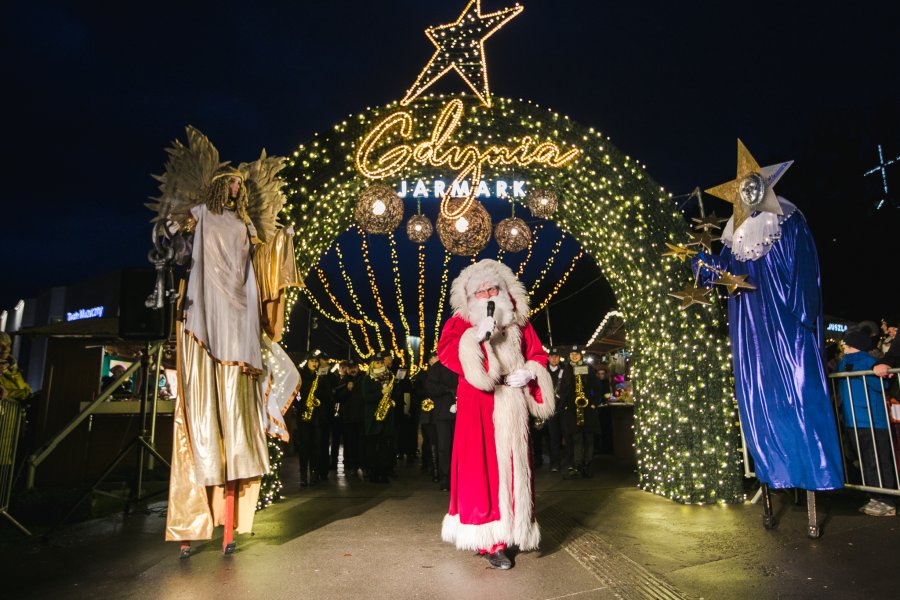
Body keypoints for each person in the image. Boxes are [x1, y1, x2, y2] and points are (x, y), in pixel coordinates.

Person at [698, 144, 843, 492]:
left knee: (798, 395)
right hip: (752, 329)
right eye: (742, 190)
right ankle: (773, 471)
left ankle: (812, 473)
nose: (748, 194)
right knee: (760, 398)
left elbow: (805, 275)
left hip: (787, 326)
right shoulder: (735, 237)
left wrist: (803, 316)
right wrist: (701, 264)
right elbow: (724, 271)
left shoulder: (789, 222)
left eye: (753, 187)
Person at [166, 169, 270, 557]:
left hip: (238, 312)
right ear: (217, 185)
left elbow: (258, 260)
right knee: (203, 419)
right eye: (231, 182)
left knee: (235, 423)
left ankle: (229, 525)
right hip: (207, 310)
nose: (236, 188)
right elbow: (172, 236)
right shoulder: (201, 214)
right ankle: (192, 524)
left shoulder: (244, 222)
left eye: (239, 184)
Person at [437, 259, 555, 570]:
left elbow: (538, 355)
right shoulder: (459, 323)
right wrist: (473, 338)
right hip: (478, 404)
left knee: (515, 468)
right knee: (482, 468)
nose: (488, 295)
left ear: (504, 290)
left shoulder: (521, 323)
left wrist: (530, 373)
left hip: (512, 403)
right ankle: (491, 539)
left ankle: (514, 527)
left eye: (493, 288)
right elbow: (446, 353)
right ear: (469, 297)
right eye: (481, 291)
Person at [837, 329, 896, 516]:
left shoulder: (867, 361)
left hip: (872, 419)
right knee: (867, 461)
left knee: (878, 460)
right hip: (855, 419)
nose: (843, 345)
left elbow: (881, 385)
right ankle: (874, 496)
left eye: (845, 343)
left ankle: (886, 499)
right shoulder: (843, 362)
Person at [561, 346, 600, 478]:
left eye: (576, 354)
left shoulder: (588, 368)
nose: (574, 356)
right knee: (576, 439)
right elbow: (563, 390)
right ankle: (577, 466)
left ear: (580, 355)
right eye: (572, 354)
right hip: (573, 409)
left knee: (589, 438)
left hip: (588, 408)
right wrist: (565, 406)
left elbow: (597, 386)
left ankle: (587, 465)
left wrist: (594, 403)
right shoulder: (566, 369)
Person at [294, 350, 330, 487]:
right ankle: (303, 476)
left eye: (316, 361)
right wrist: (300, 405)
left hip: (317, 416)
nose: (314, 363)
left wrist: (319, 389)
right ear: (307, 362)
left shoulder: (321, 376)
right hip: (304, 415)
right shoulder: (300, 376)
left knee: (316, 446)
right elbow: (295, 395)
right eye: (312, 361)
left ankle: (314, 474)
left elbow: (327, 395)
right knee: (304, 446)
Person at [425, 352, 458, 490]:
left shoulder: (461, 364)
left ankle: (458, 477)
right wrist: (448, 390)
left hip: (460, 413)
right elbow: (430, 387)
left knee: (459, 447)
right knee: (444, 447)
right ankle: (446, 478)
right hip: (443, 413)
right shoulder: (438, 367)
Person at [362, 352, 396, 483]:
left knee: (384, 447)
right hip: (373, 418)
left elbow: (396, 393)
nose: (380, 365)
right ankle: (373, 473)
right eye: (377, 362)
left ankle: (384, 472)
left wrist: (392, 396)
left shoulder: (389, 377)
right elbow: (366, 397)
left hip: (386, 418)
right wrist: (381, 392)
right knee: (372, 447)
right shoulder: (367, 379)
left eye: (381, 362)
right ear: (372, 364)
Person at [534, 347, 566, 472]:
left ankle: (560, 462)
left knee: (558, 437)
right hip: (543, 408)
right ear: (548, 358)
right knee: (544, 437)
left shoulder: (564, 371)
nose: (554, 358)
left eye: (556, 356)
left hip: (558, 409)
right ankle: (545, 462)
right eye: (552, 356)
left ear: (559, 358)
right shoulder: (542, 371)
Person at [0, 333, 31, 403]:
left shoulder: (14, 368)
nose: (6, 349)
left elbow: (23, 387)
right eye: (1, 346)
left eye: (8, 345)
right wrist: (24, 394)